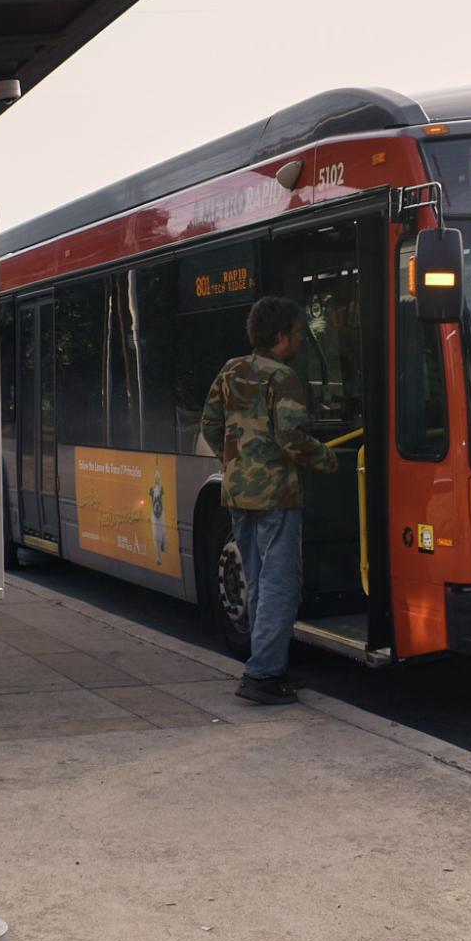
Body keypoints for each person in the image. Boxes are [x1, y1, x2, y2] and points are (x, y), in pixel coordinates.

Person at [201, 295, 340, 705]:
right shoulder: (284, 378)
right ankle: (261, 675)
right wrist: (328, 458)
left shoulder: (230, 371)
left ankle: (271, 664)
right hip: (276, 495)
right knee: (281, 585)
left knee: (259, 581)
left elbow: (210, 424)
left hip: (236, 492)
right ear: (280, 336)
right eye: (297, 334)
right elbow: (292, 438)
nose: (299, 341)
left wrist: (237, 460)